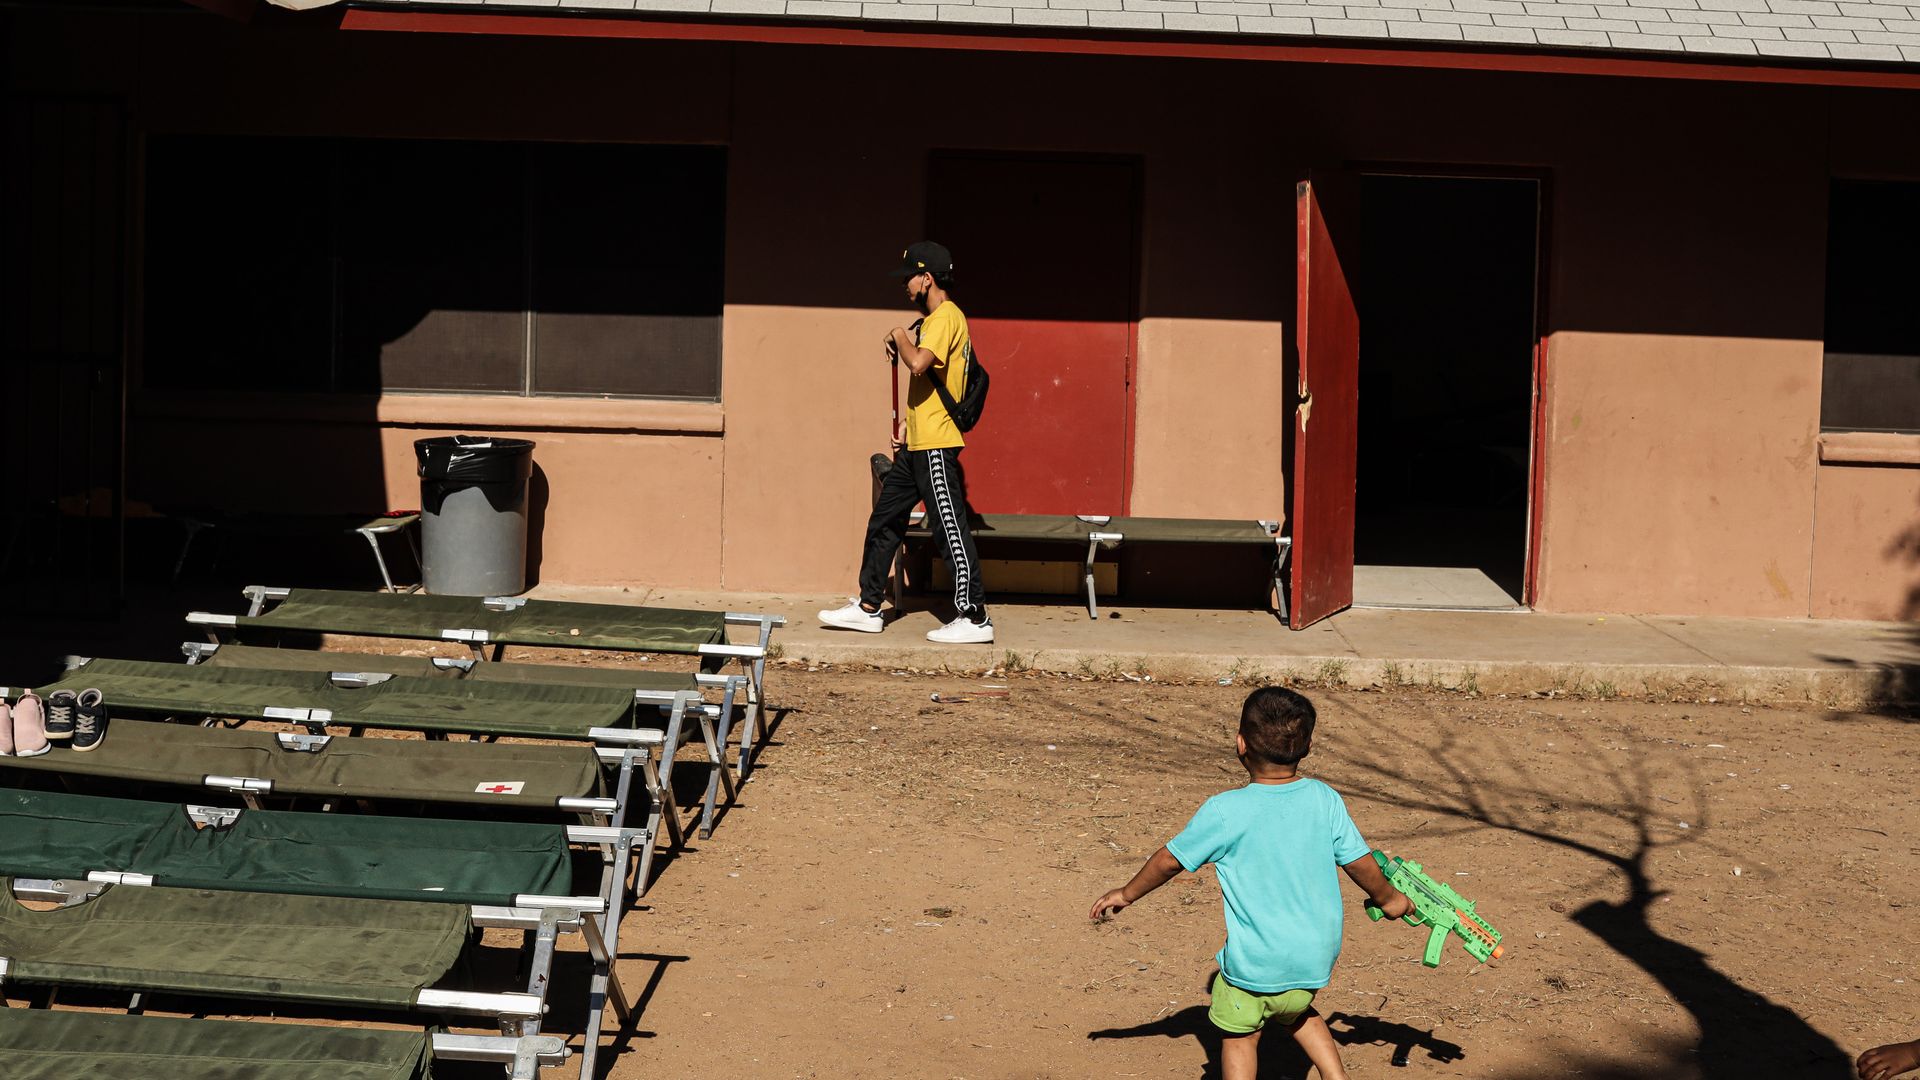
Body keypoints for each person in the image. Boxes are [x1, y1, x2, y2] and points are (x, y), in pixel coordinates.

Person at [1089, 686, 1413, 1080]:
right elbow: (1358, 862)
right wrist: (1390, 897)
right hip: (1313, 957)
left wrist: (1126, 893)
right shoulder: (1324, 798)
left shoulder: (1226, 811)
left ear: (1240, 744)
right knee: (1295, 1011)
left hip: (1257, 963)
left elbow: (1170, 861)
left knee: (1240, 1036)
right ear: (1308, 746)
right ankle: (1335, 1076)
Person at [819, 241, 992, 644]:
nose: (904, 286)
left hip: (935, 445)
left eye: (908, 278)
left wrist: (899, 335)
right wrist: (907, 433)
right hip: (917, 443)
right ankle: (868, 607)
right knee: (885, 520)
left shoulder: (946, 317)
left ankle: (976, 616)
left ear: (926, 278)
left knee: (950, 528)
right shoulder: (933, 322)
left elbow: (918, 364)